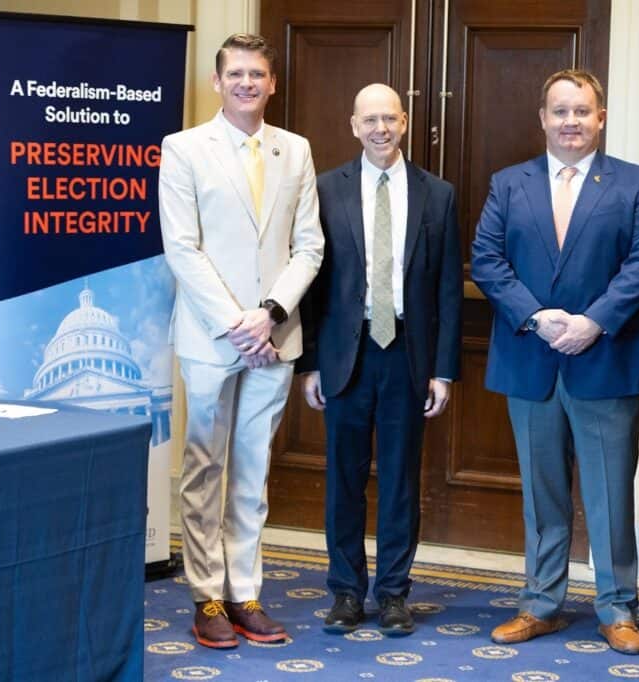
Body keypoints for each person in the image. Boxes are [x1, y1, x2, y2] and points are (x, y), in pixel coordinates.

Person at [470, 69, 639, 654]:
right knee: (542, 492)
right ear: (543, 118)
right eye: (560, 111)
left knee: (610, 493)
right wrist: (536, 317)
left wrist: (593, 322)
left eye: (582, 111)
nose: (571, 121)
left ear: (600, 117)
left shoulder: (633, 183)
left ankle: (618, 608)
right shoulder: (509, 184)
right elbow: (487, 259)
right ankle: (540, 604)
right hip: (531, 360)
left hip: (603, 358)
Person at [158, 33, 324, 649]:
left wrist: (271, 313)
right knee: (205, 468)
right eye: (236, 74)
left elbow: (310, 246)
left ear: (272, 83)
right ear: (217, 81)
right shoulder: (183, 149)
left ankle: (244, 593)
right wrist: (239, 322)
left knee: (253, 473)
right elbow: (182, 249)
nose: (247, 83)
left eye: (257, 74)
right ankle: (206, 596)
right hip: (212, 338)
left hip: (274, 338)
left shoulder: (295, 149)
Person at [298, 83, 462, 637]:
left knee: (400, 480)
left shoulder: (438, 194)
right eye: (369, 120)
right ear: (353, 126)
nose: (380, 129)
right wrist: (310, 363)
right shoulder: (326, 189)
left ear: (405, 122)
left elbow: (447, 289)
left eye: (389, 119)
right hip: (346, 353)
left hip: (408, 355)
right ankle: (346, 592)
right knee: (343, 479)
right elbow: (313, 281)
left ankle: (393, 593)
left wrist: (443, 370)